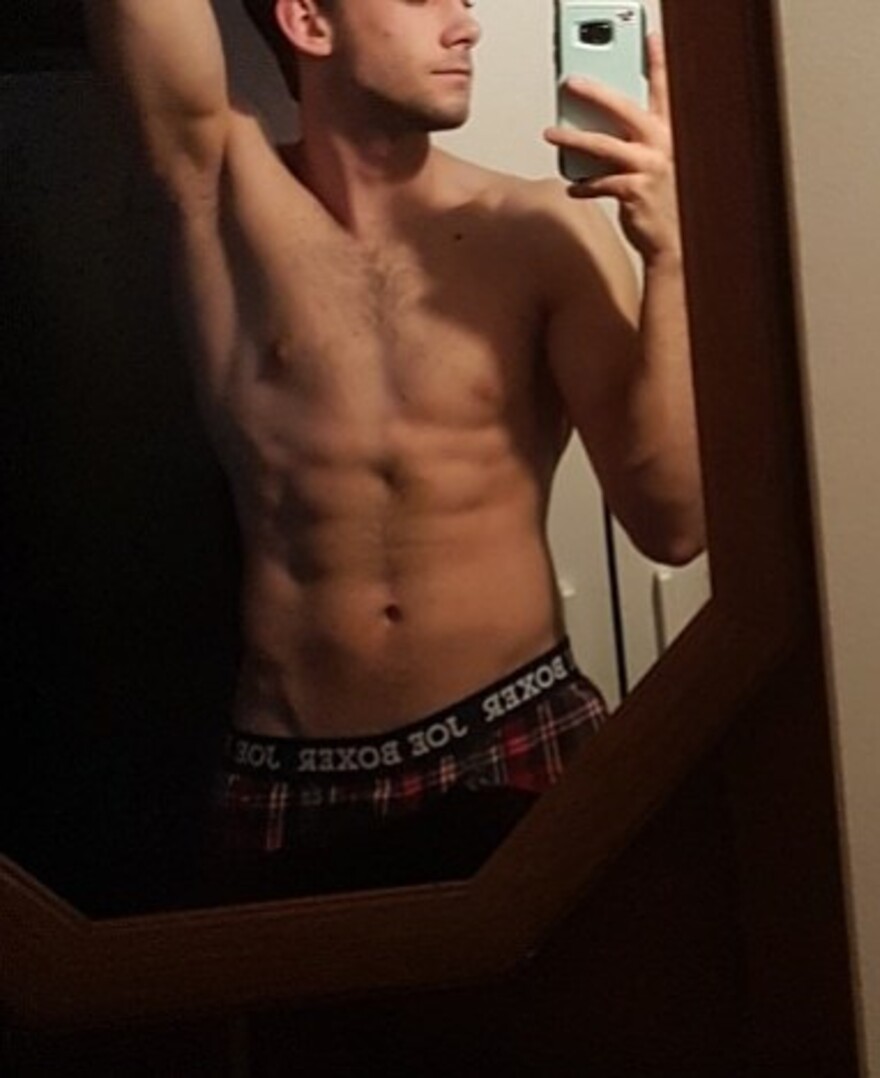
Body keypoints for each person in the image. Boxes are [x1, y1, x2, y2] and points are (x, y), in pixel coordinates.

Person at [85, 0, 703, 901]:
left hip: (516, 735)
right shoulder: (221, 190)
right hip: (291, 774)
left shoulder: (543, 231)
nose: (466, 26)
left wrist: (675, 256)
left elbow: (674, 524)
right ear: (308, 20)